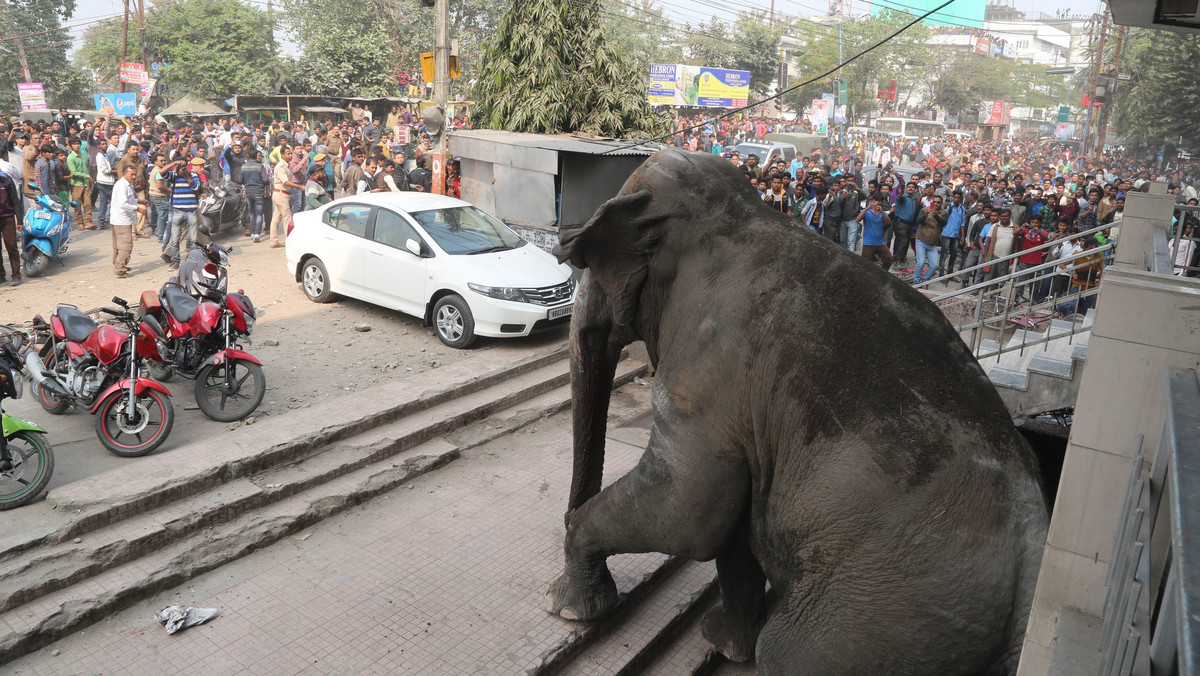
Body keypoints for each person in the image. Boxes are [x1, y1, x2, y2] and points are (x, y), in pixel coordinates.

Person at [161, 157, 204, 270]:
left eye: (183, 166)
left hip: (191, 211)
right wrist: (173, 163)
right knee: (175, 239)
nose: (181, 169)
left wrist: (186, 176)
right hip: (177, 211)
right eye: (179, 166)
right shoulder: (173, 176)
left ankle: (193, 262)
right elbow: (161, 173)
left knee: (194, 240)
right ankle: (175, 261)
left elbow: (196, 187)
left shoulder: (193, 175)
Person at [109, 164, 143, 277]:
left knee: (119, 245)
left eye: (135, 174)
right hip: (121, 220)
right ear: (124, 174)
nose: (134, 177)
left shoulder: (127, 185)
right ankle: (120, 269)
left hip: (120, 219)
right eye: (131, 174)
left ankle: (119, 264)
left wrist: (140, 202)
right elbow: (123, 204)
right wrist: (137, 208)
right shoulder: (122, 186)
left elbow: (129, 200)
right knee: (126, 245)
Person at [269, 146, 303, 248]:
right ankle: (290, 241)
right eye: (288, 154)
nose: (291, 155)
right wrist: (300, 187)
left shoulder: (286, 166)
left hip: (283, 193)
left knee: (276, 217)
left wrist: (291, 195)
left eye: (291, 153)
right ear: (282, 155)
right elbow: (286, 182)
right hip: (280, 193)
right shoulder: (280, 166)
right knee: (287, 218)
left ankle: (274, 241)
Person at [912, 196, 946, 284]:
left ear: (941, 204)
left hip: (932, 244)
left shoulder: (944, 212)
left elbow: (944, 223)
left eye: (938, 202)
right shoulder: (925, 210)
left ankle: (924, 281)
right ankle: (916, 281)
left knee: (934, 265)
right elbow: (918, 221)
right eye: (934, 202)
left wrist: (936, 216)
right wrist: (925, 215)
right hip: (921, 240)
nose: (936, 204)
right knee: (921, 263)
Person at [0, 168, 23, 285]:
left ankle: (16, 275)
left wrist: (19, 220)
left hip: (7, 218)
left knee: (12, 246)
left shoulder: (7, 181)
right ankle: (1, 276)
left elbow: (15, 202)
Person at [240, 150, 268, 243]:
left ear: (248, 155)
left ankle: (252, 233)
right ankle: (257, 233)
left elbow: (240, 179)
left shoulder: (243, 167)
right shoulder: (260, 166)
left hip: (248, 192)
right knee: (259, 214)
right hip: (259, 192)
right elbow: (266, 180)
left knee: (252, 213)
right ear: (257, 156)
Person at [857, 197, 894, 270]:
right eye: (875, 200)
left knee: (889, 260)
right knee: (864, 264)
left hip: (880, 242)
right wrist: (866, 209)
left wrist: (882, 212)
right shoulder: (867, 212)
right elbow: (857, 220)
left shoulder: (881, 212)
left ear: (881, 203)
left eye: (879, 201)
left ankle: (881, 275)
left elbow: (888, 222)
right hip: (868, 243)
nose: (876, 202)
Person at [66, 137, 94, 230]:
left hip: (85, 183)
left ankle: (88, 222)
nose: (76, 145)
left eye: (78, 143)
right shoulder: (70, 157)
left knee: (87, 204)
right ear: (70, 146)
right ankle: (80, 222)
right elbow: (73, 172)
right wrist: (87, 176)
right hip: (76, 184)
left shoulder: (82, 155)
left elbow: (85, 168)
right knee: (77, 205)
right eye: (74, 144)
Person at [94, 137, 116, 229]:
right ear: (98, 146)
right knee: (113, 201)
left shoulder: (105, 155)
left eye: (105, 144)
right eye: (102, 144)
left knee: (104, 202)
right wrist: (114, 171)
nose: (104, 145)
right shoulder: (99, 156)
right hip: (105, 182)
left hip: (105, 181)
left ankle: (101, 221)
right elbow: (104, 170)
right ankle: (108, 219)